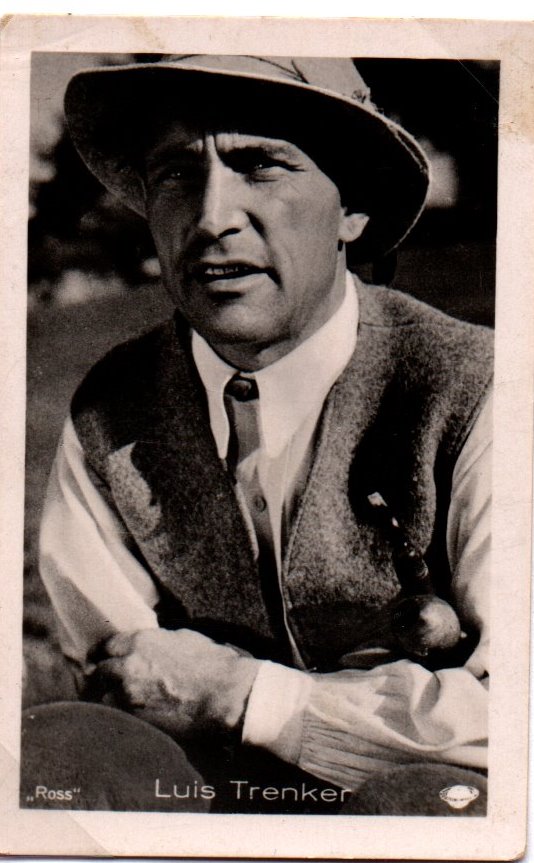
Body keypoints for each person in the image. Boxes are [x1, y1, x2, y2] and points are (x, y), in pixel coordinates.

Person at [34, 55, 492, 815]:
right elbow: (124, 681)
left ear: (353, 209)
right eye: (177, 175)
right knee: (66, 754)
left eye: (260, 166)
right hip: (213, 804)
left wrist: (245, 695)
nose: (211, 218)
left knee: (419, 805)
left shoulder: (478, 387)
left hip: (424, 808)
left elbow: (512, 715)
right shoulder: (112, 408)